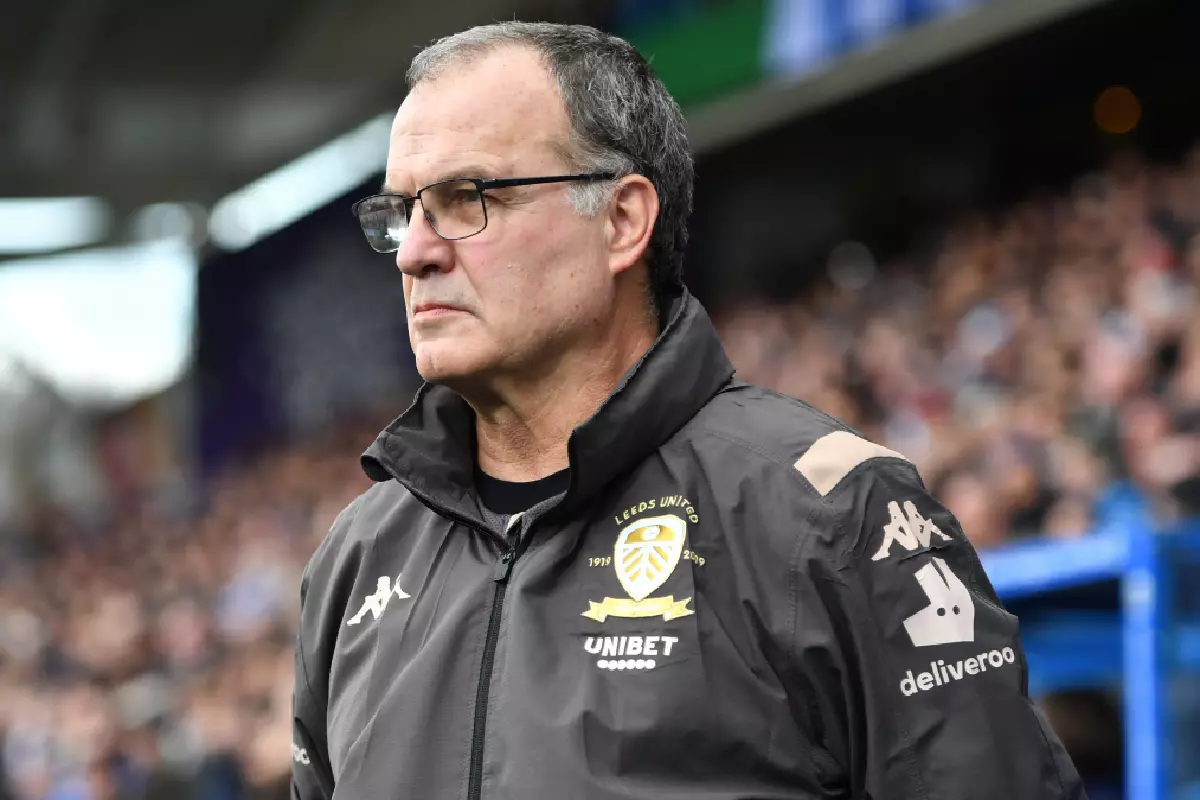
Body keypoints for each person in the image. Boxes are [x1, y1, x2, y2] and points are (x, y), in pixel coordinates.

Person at [290, 21, 1086, 800]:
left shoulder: (831, 515)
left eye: (466, 199)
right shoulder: (359, 557)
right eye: (401, 213)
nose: (416, 252)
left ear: (623, 220)